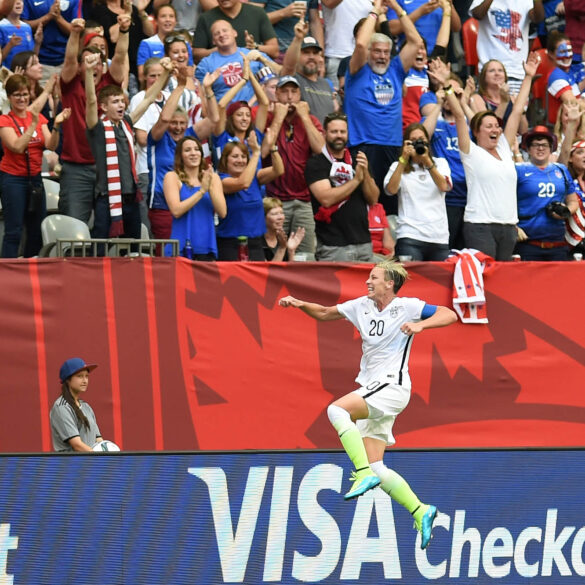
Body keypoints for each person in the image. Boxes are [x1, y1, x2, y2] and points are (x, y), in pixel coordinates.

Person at [278, 259, 457, 549]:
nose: (368, 282)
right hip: (376, 387)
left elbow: (449, 314)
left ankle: (361, 474)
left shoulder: (408, 306)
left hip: (392, 385)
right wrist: (299, 303)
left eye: (374, 277)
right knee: (378, 466)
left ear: (390, 283)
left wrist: (422, 325)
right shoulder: (361, 305)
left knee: (337, 410)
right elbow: (324, 313)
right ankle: (421, 510)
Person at [429, 53, 538, 260]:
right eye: (489, 126)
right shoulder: (471, 152)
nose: (495, 129)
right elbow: (460, 116)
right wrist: (446, 84)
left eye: (496, 125)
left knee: (502, 281)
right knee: (485, 278)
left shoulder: (505, 148)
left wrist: (528, 77)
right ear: (477, 132)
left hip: (508, 226)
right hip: (480, 225)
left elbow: (515, 112)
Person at [343, 0, 423, 215]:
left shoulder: (395, 69)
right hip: (363, 144)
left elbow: (415, 41)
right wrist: (375, 11)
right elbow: (360, 44)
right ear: (369, 52)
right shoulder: (357, 70)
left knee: (390, 205)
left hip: (392, 145)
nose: (382, 56)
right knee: (362, 203)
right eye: (377, 51)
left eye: (386, 52)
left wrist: (397, 9)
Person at [84, 52, 172, 239]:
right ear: (104, 107)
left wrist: (166, 73)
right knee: (101, 247)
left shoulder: (127, 123)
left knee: (133, 247)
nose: (121, 105)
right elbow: (91, 101)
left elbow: (148, 99)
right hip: (107, 197)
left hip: (131, 196)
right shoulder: (97, 128)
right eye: (115, 102)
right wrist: (89, 72)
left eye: (122, 102)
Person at [0, 75, 69, 257]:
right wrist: (32, 125)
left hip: (35, 180)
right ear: (9, 97)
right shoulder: (5, 121)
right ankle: (7, 273)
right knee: (13, 231)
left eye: (24, 94)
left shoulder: (38, 118)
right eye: (17, 95)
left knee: (36, 229)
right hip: (13, 179)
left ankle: (32, 268)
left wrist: (57, 126)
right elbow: (16, 146)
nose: (22, 99)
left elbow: (51, 146)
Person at [264, 75, 325, 258]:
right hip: (275, 200)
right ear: (276, 93)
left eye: (294, 92)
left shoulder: (310, 120)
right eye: (284, 92)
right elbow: (264, 152)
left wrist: (305, 117)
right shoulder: (268, 117)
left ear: (300, 94)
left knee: (305, 256)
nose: (289, 97)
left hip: (304, 199)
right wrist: (278, 118)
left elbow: (321, 150)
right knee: (277, 253)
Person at [305, 111, 379, 261]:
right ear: (325, 133)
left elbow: (373, 199)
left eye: (342, 131)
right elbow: (325, 199)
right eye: (334, 132)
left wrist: (365, 176)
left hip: (363, 243)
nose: (339, 135)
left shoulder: (358, 159)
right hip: (333, 247)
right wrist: (356, 180)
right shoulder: (316, 163)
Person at [384, 122, 452, 261]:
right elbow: (390, 190)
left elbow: (444, 186)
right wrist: (403, 160)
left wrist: (427, 161)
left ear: (428, 142)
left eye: (421, 140)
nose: (418, 144)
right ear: (406, 144)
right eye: (413, 141)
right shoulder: (397, 166)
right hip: (410, 236)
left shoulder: (441, 163)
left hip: (439, 237)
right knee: (410, 283)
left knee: (438, 283)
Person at [217, 132, 284, 260]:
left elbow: (278, 170)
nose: (240, 160)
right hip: (230, 245)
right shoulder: (221, 180)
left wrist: (272, 147)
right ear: (225, 160)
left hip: (255, 244)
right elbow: (243, 183)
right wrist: (256, 153)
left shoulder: (255, 177)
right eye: (235, 156)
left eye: (243, 156)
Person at [515, 125, 580, 259]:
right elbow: (505, 201)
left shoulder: (561, 170)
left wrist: (565, 211)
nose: (540, 148)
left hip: (558, 242)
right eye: (535, 144)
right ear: (528, 148)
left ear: (551, 148)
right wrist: (513, 226)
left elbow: (573, 201)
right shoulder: (519, 170)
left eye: (544, 145)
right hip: (527, 242)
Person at [164, 136, 226, 259]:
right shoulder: (172, 177)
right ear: (180, 156)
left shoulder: (212, 178)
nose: (193, 153)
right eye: (187, 150)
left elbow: (222, 212)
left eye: (197, 149)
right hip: (180, 247)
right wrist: (202, 191)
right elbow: (176, 211)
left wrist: (209, 186)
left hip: (206, 246)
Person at [469, 0, 544, 95]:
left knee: (516, 109)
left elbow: (538, 18)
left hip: (516, 71)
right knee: (489, 109)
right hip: (489, 71)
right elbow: (477, 14)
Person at [280, 20, 339, 124]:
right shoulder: (294, 80)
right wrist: (298, 39)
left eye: (315, 53)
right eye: (306, 53)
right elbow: (289, 66)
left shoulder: (325, 83)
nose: (311, 57)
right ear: (297, 55)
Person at [192, 0, 279, 62]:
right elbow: (197, 54)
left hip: (253, 71)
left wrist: (255, 47)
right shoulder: (206, 18)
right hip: (220, 74)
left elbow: (274, 51)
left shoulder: (257, 13)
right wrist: (218, 50)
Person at [50, 357, 102, 452]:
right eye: (79, 376)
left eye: (86, 376)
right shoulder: (62, 407)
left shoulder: (86, 407)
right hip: (71, 465)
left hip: (90, 464)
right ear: (68, 380)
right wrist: (100, 459)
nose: (85, 380)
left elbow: (98, 440)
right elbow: (77, 445)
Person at [469, 59, 528, 134]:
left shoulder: (512, 98)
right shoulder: (477, 99)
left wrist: (520, 110)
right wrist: (504, 102)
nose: (497, 73)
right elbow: (488, 129)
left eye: (500, 70)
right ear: (483, 77)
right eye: (492, 71)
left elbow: (523, 131)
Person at [262, 196, 306, 260]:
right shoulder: (256, 242)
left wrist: (291, 250)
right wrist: (282, 248)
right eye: (274, 214)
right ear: (263, 218)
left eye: (282, 213)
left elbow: (290, 269)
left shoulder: (282, 238)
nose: (280, 217)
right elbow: (267, 269)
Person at [0, 0, 38, 70]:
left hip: (26, 74)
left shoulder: (27, 27)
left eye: (21, 1)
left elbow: (32, 55)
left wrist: (38, 42)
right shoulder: (1, 26)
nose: (18, 3)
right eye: (14, 1)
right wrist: (10, 45)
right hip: (8, 74)